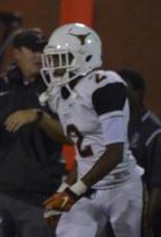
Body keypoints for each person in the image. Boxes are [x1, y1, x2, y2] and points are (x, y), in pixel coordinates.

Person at [41, 23, 143, 237]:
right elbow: (85, 155)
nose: (55, 66)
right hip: (88, 187)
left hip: (121, 186)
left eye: (62, 59)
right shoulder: (61, 96)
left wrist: (72, 193)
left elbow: (114, 152)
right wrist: (61, 193)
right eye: (53, 59)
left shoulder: (104, 85)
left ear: (85, 57)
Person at [0, 28, 65, 237]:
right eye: (33, 50)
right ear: (16, 53)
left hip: (38, 196)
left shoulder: (58, 90)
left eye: (43, 51)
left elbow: (70, 137)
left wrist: (40, 117)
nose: (39, 56)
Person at [118, 69, 161, 236]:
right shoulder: (116, 124)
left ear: (138, 93)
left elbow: (158, 187)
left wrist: (147, 222)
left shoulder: (153, 133)